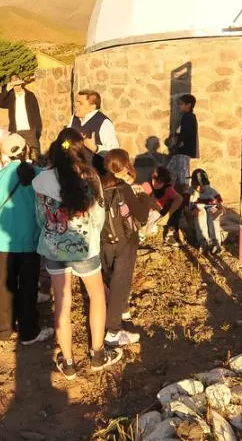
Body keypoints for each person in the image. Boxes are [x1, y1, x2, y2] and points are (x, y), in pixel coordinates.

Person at [33, 128, 122, 379]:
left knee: (63, 303)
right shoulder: (91, 176)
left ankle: (69, 362)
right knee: (97, 297)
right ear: (80, 148)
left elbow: (40, 217)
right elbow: (99, 217)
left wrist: (52, 234)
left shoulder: (40, 180)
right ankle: (98, 354)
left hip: (54, 249)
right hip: (85, 248)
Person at [0, 133, 53, 345]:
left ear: (6, 153)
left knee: (4, 285)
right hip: (30, 238)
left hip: (3, 239)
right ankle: (28, 331)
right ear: (26, 150)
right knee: (28, 285)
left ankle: (4, 328)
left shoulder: (2, 174)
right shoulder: (39, 174)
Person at [100, 149, 148, 348]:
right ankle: (113, 332)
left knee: (111, 281)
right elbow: (142, 215)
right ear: (126, 165)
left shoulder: (98, 184)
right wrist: (143, 196)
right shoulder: (124, 188)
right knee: (120, 284)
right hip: (125, 242)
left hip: (104, 242)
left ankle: (123, 310)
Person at [68, 90, 119, 174]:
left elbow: (114, 152)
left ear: (92, 107)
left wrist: (96, 148)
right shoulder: (74, 118)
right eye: (76, 102)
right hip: (74, 171)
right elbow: (67, 140)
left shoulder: (104, 123)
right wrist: (64, 147)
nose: (75, 105)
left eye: (80, 103)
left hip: (95, 174)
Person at [0, 74, 43, 158]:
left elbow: (36, 114)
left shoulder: (30, 95)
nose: (16, 85)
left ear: (21, 82)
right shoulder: (10, 97)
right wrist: (6, 90)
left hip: (30, 131)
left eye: (17, 82)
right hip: (16, 132)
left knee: (34, 156)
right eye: (13, 83)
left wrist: (37, 131)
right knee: (18, 158)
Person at [142, 167, 185, 247]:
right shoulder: (147, 185)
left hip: (161, 213)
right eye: (154, 180)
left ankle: (170, 234)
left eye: (159, 182)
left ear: (164, 182)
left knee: (177, 204)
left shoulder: (168, 189)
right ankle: (141, 234)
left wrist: (167, 216)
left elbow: (179, 199)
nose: (155, 184)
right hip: (148, 213)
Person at [188, 169, 224, 254]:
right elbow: (187, 210)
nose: (202, 187)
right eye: (199, 185)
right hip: (197, 219)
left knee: (212, 212)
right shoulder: (191, 193)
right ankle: (203, 241)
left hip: (210, 218)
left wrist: (217, 212)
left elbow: (221, 208)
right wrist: (193, 211)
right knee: (201, 212)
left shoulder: (212, 192)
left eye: (204, 185)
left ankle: (215, 241)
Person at [168, 94, 199, 189]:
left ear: (188, 105)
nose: (179, 106)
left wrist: (178, 144)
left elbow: (185, 134)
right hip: (180, 152)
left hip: (184, 151)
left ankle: (185, 195)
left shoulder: (188, 117)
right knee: (170, 174)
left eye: (181, 104)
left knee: (183, 178)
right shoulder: (187, 117)